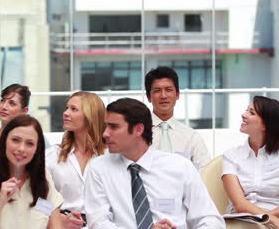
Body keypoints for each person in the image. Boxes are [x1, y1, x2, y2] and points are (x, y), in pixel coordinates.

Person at [84, 98, 225, 229]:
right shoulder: (98, 168)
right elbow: (98, 223)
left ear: (138, 129)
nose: (105, 134)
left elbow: (210, 219)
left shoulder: (180, 166)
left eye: (114, 127)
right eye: (106, 126)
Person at [0, 114, 72, 229]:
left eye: (29, 143)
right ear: (4, 141)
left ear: (37, 149)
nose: (21, 149)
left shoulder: (44, 181)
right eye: (16, 140)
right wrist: (0, 204)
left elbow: (54, 221)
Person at [222, 96, 279, 229]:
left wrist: (269, 220)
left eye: (251, 112)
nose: (243, 115)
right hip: (241, 222)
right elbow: (239, 204)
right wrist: (271, 220)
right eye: (246, 110)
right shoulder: (231, 155)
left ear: (266, 124)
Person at [46, 91, 106, 228]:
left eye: (74, 109)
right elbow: (36, 201)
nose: (66, 113)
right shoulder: (52, 157)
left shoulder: (110, 157)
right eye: (67, 108)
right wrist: (59, 218)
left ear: (91, 116)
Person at [145, 66, 210, 169]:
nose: (163, 96)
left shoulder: (191, 137)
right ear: (149, 97)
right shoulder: (138, 134)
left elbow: (205, 172)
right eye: (157, 90)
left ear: (177, 94)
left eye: (168, 90)